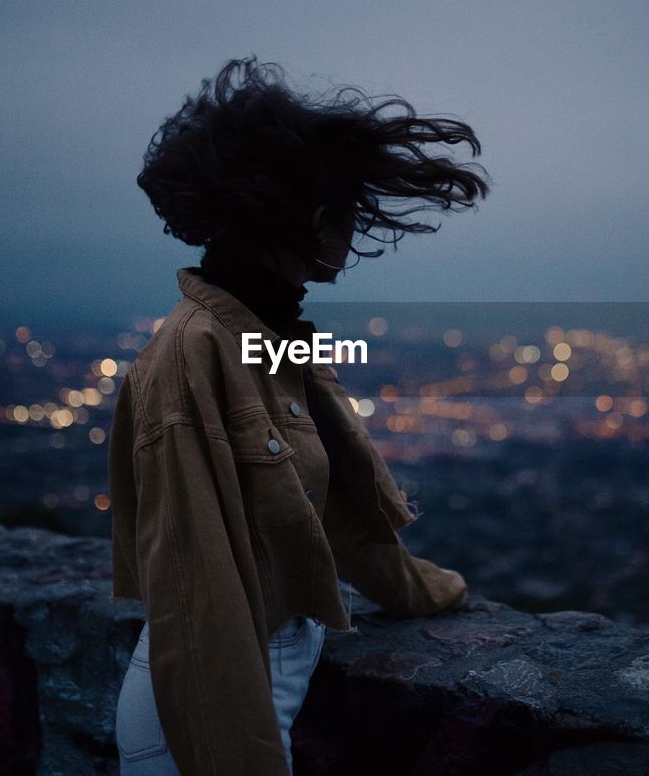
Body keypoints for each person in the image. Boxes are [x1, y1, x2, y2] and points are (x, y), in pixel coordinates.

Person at [109, 56, 492, 775]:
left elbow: (329, 518)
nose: (354, 232)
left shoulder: (269, 338)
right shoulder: (192, 354)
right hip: (208, 719)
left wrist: (424, 592)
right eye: (348, 212)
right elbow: (197, 590)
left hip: (257, 688)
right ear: (316, 223)